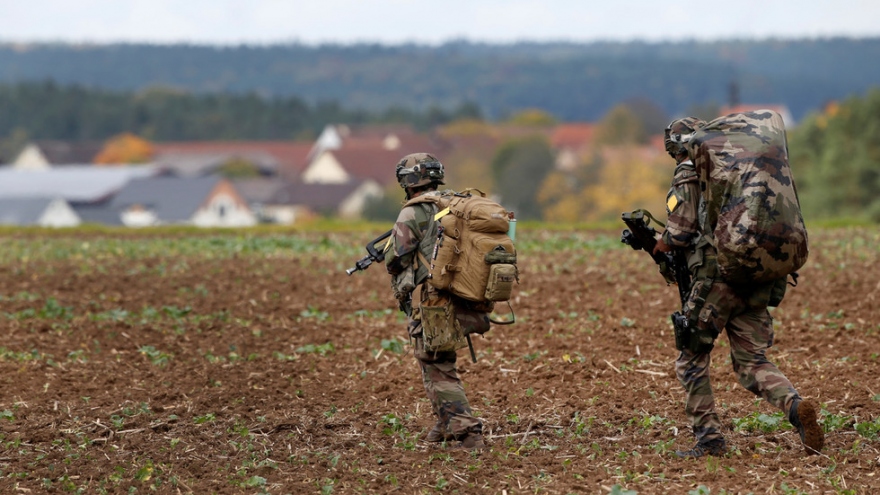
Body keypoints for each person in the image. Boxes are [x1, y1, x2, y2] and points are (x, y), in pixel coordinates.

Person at [653, 117, 824, 458]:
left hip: (717, 282)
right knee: (752, 363)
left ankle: (710, 440)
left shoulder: (689, 171)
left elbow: (681, 231)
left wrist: (660, 245)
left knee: (691, 359)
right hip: (756, 277)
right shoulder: (740, 170)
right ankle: (795, 406)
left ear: (676, 146)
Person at [385, 152, 490, 450]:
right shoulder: (455, 205)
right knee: (434, 360)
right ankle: (445, 423)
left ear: (407, 182)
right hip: (461, 296)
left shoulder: (414, 212)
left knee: (437, 363)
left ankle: (467, 432)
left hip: (432, 302)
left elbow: (394, 259)